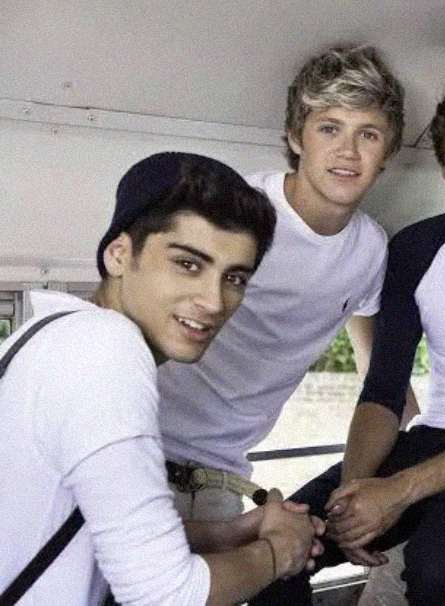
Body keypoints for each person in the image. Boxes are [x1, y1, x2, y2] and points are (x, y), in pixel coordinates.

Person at [252, 72, 445, 606]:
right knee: (283, 547)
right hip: (430, 436)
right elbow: (384, 390)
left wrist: (399, 491)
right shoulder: (414, 249)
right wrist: (356, 494)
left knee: (433, 569)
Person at [0, 152, 323, 605]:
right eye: (188, 264)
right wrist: (279, 553)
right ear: (118, 254)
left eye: (234, 277)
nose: (213, 301)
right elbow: (165, 595)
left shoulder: (54, 335)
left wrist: (235, 532)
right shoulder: (106, 349)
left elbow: (93, 531)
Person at [155, 45, 405, 522]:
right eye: (329, 128)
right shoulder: (233, 212)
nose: (348, 152)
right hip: (138, 442)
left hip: (218, 473)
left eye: (368, 134)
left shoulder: (370, 250)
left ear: (388, 152)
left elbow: (377, 372)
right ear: (296, 136)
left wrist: (382, 479)